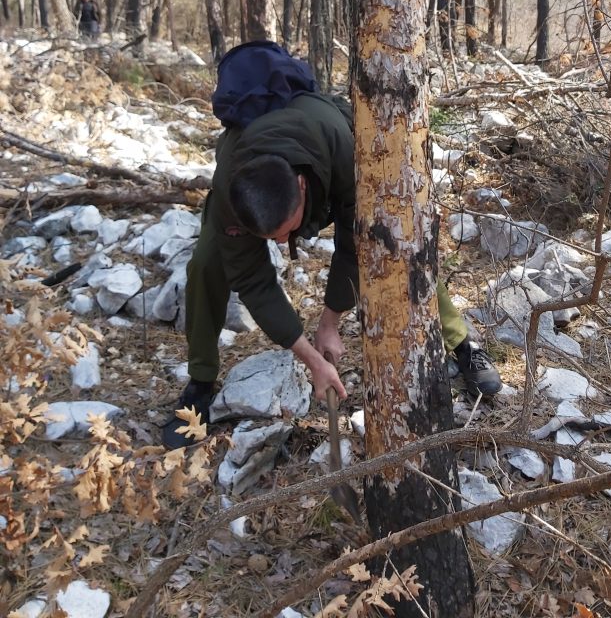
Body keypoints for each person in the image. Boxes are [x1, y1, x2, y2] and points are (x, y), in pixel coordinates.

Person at [162, 90, 501, 449]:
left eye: (286, 233)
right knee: (205, 264)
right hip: (252, 167)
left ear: (302, 186)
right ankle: (199, 381)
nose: (280, 244)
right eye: (270, 238)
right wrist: (310, 357)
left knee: (400, 241)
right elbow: (252, 280)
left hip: (326, 144)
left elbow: (353, 245)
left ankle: (462, 343)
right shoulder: (232, 191)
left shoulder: (346, 153)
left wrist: (330, 321)